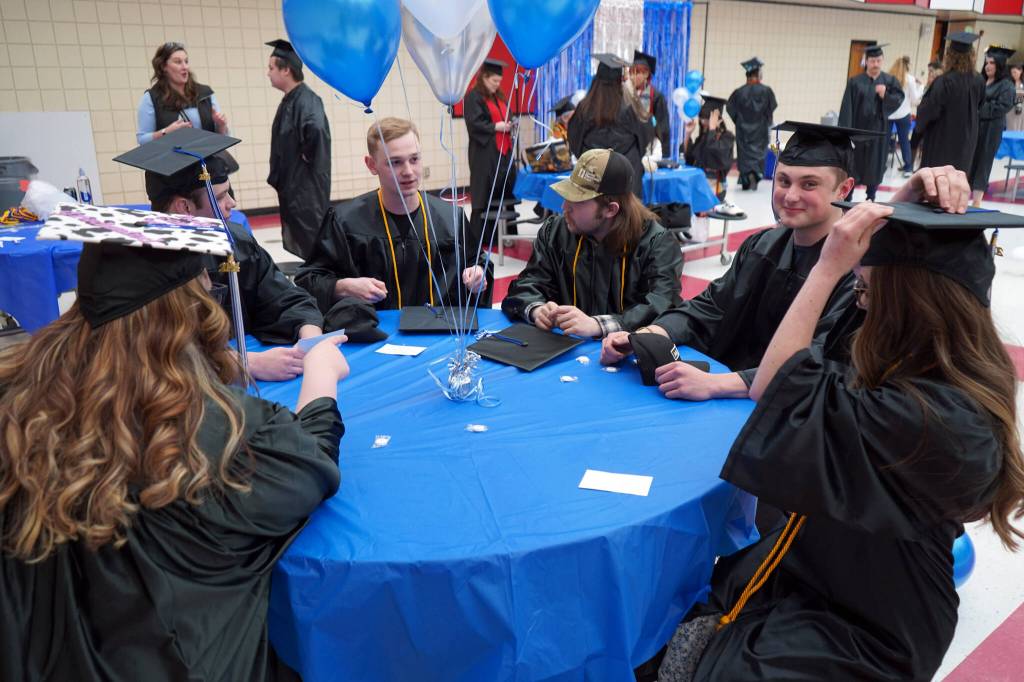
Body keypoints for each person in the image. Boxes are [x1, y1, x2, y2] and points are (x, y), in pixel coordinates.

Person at [657, 178, 1024, 682]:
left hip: (865, 628)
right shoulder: (937, 371)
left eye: (866, 292)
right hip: (832, 572)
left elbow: (779, 382)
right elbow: (823, 354)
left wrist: (829, 266)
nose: (858, 303)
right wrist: (900, 210)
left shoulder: (932, 420)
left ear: (909, 308)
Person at [0, 222, 348, 681]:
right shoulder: (204, 428)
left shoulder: (19, 398)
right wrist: (321, 378)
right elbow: (306, 466)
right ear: (187, 312)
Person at [601, 121, 900, 402]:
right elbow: (710, 307)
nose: (790, 195)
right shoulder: (762, 246)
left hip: (794, 415)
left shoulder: (859, 273)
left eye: (809, 184)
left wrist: (717, 384)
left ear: (844, 189)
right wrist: (651, 334)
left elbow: (824, 361)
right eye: (783, 180)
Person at [116, 129, 326, 382]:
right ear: (184, 207)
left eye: (230, 192)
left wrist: (310, 338)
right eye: (221, 197)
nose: (232, 204)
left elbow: (284, 298)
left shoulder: (234, 241)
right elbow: (152, 352)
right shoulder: (139, 264)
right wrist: (247, 363)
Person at [296, 117, 490, 316]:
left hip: (439, 334)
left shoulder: (450, 220)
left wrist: (478, 276)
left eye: (414, 159)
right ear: (372, 165)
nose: (408, 171)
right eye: (395, 163)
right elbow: (309, 279)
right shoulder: (345, 222)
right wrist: (343, 287)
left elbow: (478, 263)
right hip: (374, 335)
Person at [501, 148, 682, 338]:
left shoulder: (657, 244)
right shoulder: (554, 232)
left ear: (610, 210)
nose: (564, 207)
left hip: (626, 357)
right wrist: (537, 309)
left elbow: (662, 306)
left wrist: (598, 325)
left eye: (577, 201)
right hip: (566, 355)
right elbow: (527, 284)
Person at [266, 39, 332, 259]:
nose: (268, 73)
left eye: (271, 68)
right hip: (294, 187)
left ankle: (319, 287)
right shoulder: (291, 100)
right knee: (303, 242)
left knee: (312, 242)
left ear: (286, 70)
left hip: (305, 189)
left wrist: (306, 156)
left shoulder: (307, 101)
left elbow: (316, 130)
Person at [569, 54, 646, 197]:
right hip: (624, 179)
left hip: (593, 177)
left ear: (596, 80)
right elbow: (642, 141)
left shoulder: (584, 108)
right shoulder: (629, 109)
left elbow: (574, 141)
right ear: (619, 81)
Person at [463, 58, 519, 249]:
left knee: (502, 191)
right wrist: (496, 126)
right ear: (484, 78)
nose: (497, 85)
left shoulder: (497, 96)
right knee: (484, 193)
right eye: (494, 81)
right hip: (484, 155)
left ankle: (504, 234)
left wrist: (509, 124)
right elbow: (474, 123)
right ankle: (481, 239)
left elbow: (507, 114)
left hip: (502, 153)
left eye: (498, 81)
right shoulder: (473, 97)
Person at [839, 43, 904, 200]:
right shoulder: (855, 82)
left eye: (879, 60)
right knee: (853, 168)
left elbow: (899, 100)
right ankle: (848, 200)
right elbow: (847, 109)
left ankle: (871, 198)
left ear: (882, 61)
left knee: (875, 168)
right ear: (866, 62)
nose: (876, 64)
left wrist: (885, 95)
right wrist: (846, 135)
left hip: (879, 134)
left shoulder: (890, 81)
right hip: (858, 135)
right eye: (872, 61)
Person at [914, 31, 984, 174]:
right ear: (972, 56)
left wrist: (920, 125)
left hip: (942, 141)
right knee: (958, 180)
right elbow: (980, 106)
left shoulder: (945, 81)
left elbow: (929, 110)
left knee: (938, 182)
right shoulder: (979, 80)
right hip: (967, 141)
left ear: (950, 56)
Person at [136, 42, 229, 144]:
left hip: (207, 159)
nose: (185, 67)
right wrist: (166, 132)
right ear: (163, 66)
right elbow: (142, 140)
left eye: (186, 61)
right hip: (172, 159)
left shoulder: (205, 93)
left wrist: (221, 125)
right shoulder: (151, 98)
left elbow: (223, 139)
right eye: (178, 62)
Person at [969, 46, 1017, 207]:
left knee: (983, 162)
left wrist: (978, 109)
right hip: (975, 126)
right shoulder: (981, 80)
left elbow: (1003, 106)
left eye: (992, 63)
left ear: (1000, 65)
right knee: (970, 159)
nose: (987, 66)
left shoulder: (1006, 85)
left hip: (991, 129)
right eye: (986, 62)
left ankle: (976, 201)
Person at [727, 57, 778, 190]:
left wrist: (739, 121)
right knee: (758, 155)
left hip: (743, 131)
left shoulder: (739, 92)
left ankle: (745, 178)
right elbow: (772, 107)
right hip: (760, 130)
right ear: (759, 74)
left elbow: (730, 108)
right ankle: (755, 175)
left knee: (744, 155)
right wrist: (765, 120)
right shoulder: (766, 91)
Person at [682, 96, 735, 202]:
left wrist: (712, 129)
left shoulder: (727, 137)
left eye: (706, 119)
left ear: (717, 119)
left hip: (713, 188)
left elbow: (717, 157)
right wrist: (687, 134)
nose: (703, 122)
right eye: (701, 118)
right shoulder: (704, 136)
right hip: (697, 184)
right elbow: (690, 158)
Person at [626, 50, 671, 157]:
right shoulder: (626, 93)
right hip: (629, 145)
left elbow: (663, 126)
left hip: (649, 148)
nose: (633, 77)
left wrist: (663, 154)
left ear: (646, 74)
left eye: (636, 73)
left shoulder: (656, 96)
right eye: (631, 73)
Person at [888, 55, 924, 178]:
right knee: (904, 142)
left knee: (884, 141)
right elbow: (914, 100)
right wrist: (922, 87)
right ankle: (908, 167)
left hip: (889, 115)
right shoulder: (910, 79)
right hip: (904, 115)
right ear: (908, 66)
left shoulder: (890, 77)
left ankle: (880, 167)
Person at [1006, 59, 1024, 131]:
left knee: (1020, 127)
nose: (1013, 74)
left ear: (1021, 71)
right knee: (1011, 127)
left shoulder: (1022, 83)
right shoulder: (1009, 83)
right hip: (1011, 109)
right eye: (1012, 72)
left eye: (1015, 72)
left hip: (1022, 108)